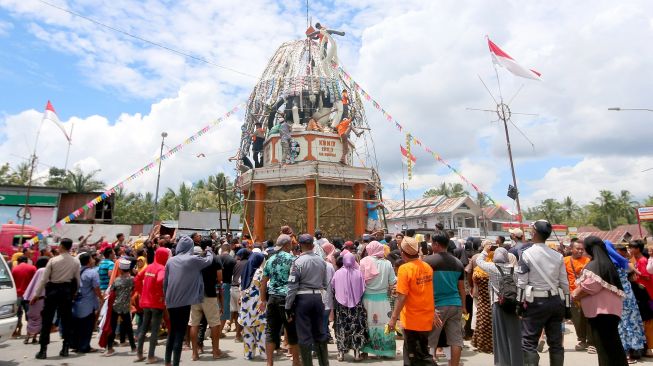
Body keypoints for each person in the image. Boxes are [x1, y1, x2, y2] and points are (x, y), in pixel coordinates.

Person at [517, 220, 569, 366]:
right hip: (556, 302)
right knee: (556, 344)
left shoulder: (526, 254)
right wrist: (568, 306)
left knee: (528, 343)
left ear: (534, 233)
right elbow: (564, 283)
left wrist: (519, 304)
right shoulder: (557, 256)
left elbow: (521, 283)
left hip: (535, 303)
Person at [572, 236, 628, 366]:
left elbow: (591, 286)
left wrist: (575, 294)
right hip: (609, 312)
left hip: (601, 313)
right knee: (613, 345)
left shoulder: (595, 264)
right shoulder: (606, 262)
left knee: (604, 347)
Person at [163, 235, 215, 366]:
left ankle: (167, 362)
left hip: (171, 301)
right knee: (180, 333)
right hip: (185, 302)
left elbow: (165, 282)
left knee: (172, 332)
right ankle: (175, 363)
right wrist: (209, 250)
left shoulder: (170, 261)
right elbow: (209, 261)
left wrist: (166, 299)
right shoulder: (193, 259)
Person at [387, 236, 437, 366]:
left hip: (412, 320)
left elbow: (402, 296)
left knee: (420, 357)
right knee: (412, 356)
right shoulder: (427, 266)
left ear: (402, 253)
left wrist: (393, 318)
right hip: (425, 317)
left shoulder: (404, 269)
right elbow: (429, 291)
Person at [285, 233, 330, 366]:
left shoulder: (297, 262)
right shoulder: (322, 261)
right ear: (312, 245)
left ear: (300, 245)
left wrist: (288, 306)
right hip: (318, 297)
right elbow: (324, 282)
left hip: (303, 299)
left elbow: (292, 287)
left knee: (304, 334)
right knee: (320, 333)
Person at [32, 237, 81, 359]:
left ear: (61, 246)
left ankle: (43, 350)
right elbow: (78, 281)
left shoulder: (53, 260)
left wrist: (36, 295)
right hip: (66, 292)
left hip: (53, 291)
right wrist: (75, 292)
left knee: (47, 320)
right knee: (66, 320)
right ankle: (65, 348)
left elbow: (43, 280)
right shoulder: (75, 262)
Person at [475, 245, 522, 366]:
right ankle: (516, 362)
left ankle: (502, 362)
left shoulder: (492, 268)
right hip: (513, 304)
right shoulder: (516, 269)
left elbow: (478, 261)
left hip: (498, 304)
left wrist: (485, 250)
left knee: (500, 336)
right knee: (514, 335)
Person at [424, 233, 466, 366]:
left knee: (430, 340)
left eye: (431, 243)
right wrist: (463, 306)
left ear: (436, 244)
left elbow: (423, 286)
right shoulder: (458, 263)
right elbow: (462, 289)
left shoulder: (428, 262)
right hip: (455, 305)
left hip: (437, 306)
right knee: (456, 340)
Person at [259, 234, 299, 366]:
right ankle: (296, 362)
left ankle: (269, 362)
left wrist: (263, 300)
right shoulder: (293, 259)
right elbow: (296, 281)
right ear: (287, 245)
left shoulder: (270, 260)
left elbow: (263, 282)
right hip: (287, 299)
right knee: (292, 329)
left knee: (271, 330)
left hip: (272, 298)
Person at [359, 241, 396, 359]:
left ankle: (365, 351)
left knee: (366, 324)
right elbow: (392, 282)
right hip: (383, 299)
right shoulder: (388, 263)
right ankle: (384, 351)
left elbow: (359, 280)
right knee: (383, 324)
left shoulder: (364, 261)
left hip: (367, 299)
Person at [189, 239, 225, 360]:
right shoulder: (215, 258)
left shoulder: (195, 258)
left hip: (195, 295)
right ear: (211, 246)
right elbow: (220, 278)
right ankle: (215, 352)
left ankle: (194, 353)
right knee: (214, 323)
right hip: (209, 294)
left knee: (194, 324)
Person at [611, 241, 647, 362]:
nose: (625, 253)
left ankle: (628, 352)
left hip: (622, 296)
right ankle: (634, 350)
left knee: (625, 323)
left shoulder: (616, 263)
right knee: (630, 322)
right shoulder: (624, 263)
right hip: (627, 295)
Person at [134, 247, 170, 363]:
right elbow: (160, 280)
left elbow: (137, 279)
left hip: (145, 302)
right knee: (154, 330)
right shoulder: (161, 269)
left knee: (144, 328)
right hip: (156, 303)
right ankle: (150, 356)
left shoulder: (149, 267)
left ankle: (139, 354)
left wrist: (141, 292)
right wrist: (161, 293)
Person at [332, 252, 368, 361]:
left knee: (341, 327)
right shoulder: (359, 273)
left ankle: (341, 354)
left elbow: (333, 287)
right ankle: (357, 354)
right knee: (356, 328)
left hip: (341, 306)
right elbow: (363, 288)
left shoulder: (337, 273)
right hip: (357, 306)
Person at [563, 240, 592, 351]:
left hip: (585, 294)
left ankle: (591, 342)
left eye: (582, 249)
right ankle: (582, 340)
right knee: (577, 319)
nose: (580, 251)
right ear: (571, 249)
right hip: (571, 295)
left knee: (589, 319)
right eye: (577, 248)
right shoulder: (565, 260)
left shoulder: (588, 261)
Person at [238, 252, 267, 360]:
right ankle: (264, 354)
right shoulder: (260, 272)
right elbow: (264, 287)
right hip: (258, 305)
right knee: (261, 331)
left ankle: (248, 354)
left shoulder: (244, 271)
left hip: (246, 307)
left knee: (248, 332)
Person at [105, 258, 136, 356]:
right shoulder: (132, 280)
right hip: (125, 307)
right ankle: (133, 348)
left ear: (120, 270)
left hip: (115, 306)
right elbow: (134, 288)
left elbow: (112, 291)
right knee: (129, 328)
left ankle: (109, 348)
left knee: (112, 327)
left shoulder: (117, 280)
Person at [72, 252, 102, 353]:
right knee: (87, 326)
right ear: (89, 261)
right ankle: (85, 346)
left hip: (77, 303)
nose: (93, 260)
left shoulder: (77, 271)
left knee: (77, 326)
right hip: (88, 303)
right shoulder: (92, 272)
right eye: (92, 259)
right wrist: (101, 298)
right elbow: (96, 288)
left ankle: (76, 345)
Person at [471, 240, 493, 354]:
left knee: (481, 321)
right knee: (492, 322)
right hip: (493, 300)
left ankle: (481, 344)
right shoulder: (495, 267)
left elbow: (475, 286)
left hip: (482, 299)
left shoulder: (478, 267)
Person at [22, 256, 49, 344]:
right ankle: (34, 337)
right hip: (41, 298)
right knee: (39, 318)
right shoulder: (44, 270)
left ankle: (28, 337)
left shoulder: (39, 270)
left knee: (32, 318)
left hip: (32, 298)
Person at [11, 255, 36, 338]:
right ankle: (30, 331)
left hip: (17, 295)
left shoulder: (14, 269)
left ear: (18, 261)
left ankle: (16, 330)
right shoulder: (32, 268)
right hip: (29, 295)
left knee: (17, 313)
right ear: (26, 261)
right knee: (30, 313)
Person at [231, 248, 251, 342]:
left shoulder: (236, 262)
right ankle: (238, 335)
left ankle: (236, 332)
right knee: (241, 313)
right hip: (240, 290)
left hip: (233, 288)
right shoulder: (249, 263)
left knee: (235, 312)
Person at [218, 243, 236, 338]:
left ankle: (215, 330)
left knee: (217, 309)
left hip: (216, 285)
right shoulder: (232, 260)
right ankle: (219, 332)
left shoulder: (216, 258)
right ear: (229, 250)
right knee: (225, 309)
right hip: (227, 285)